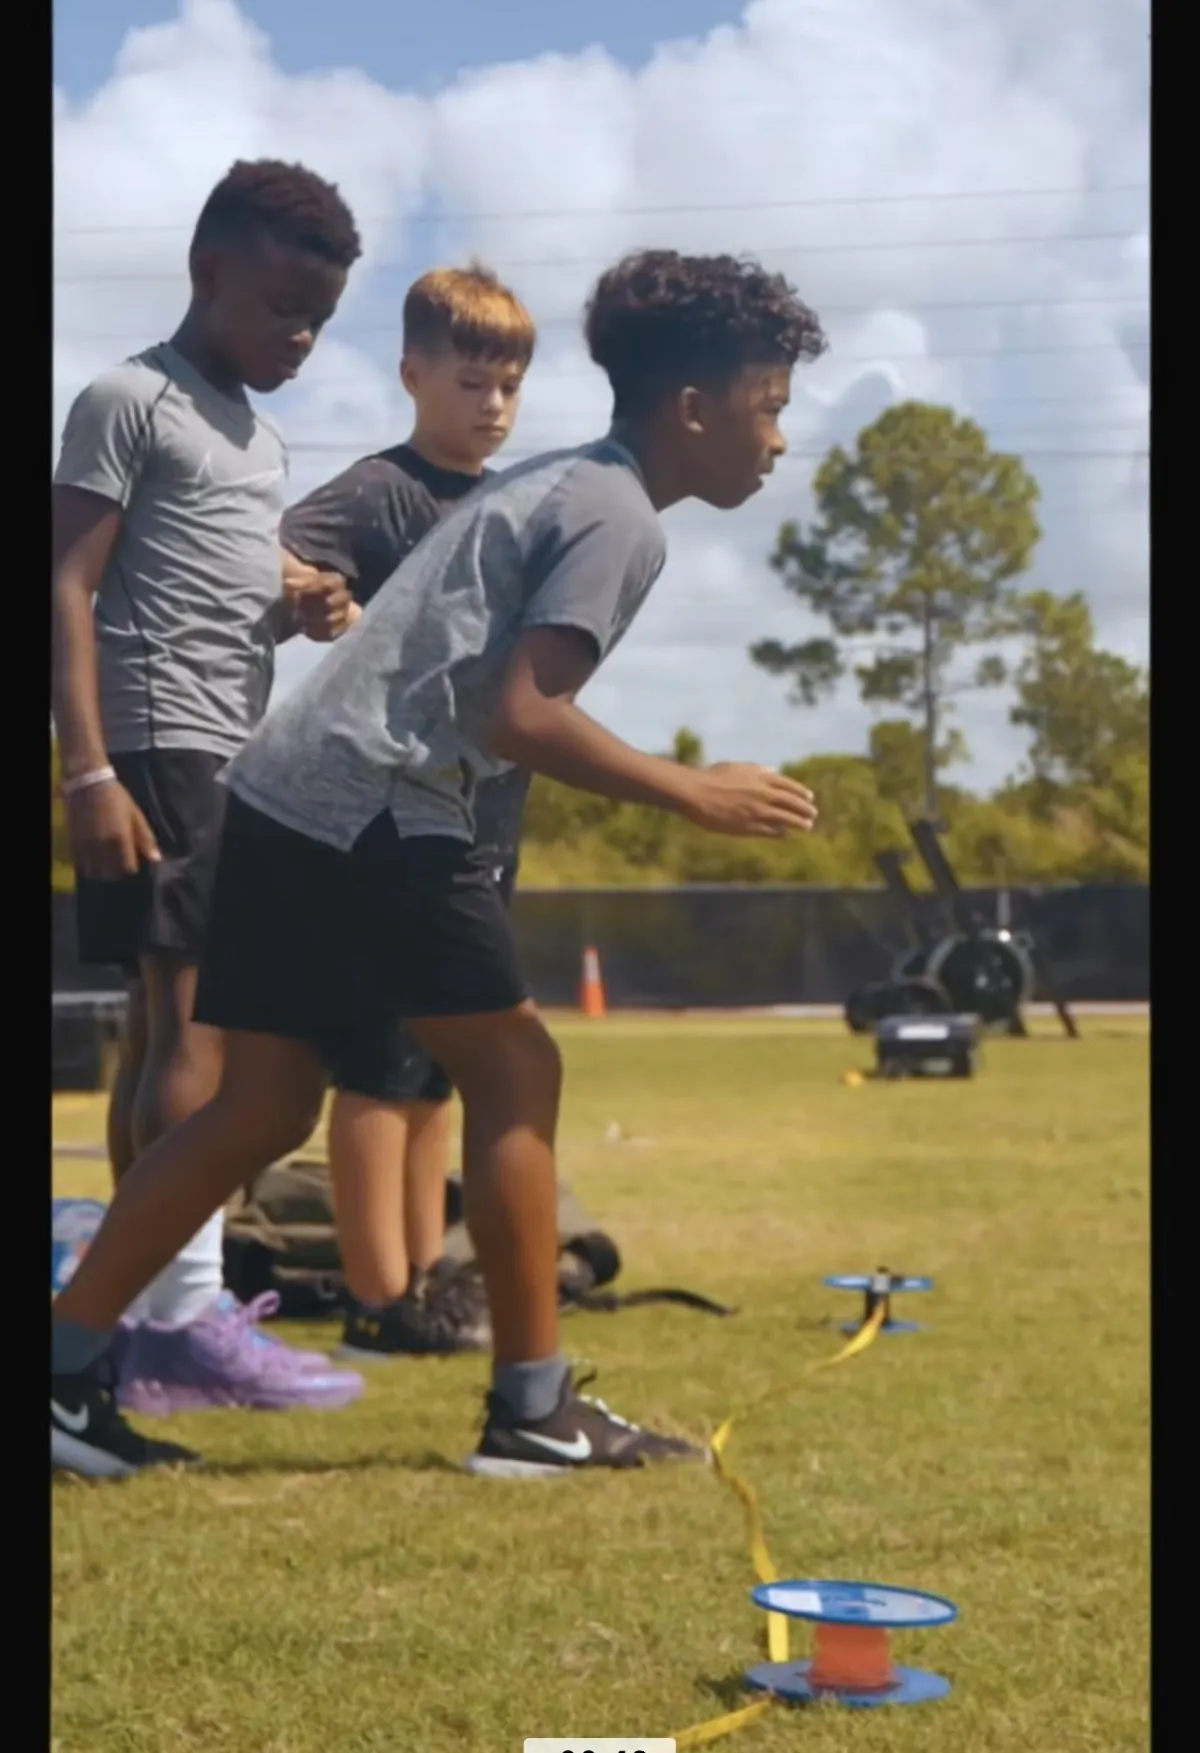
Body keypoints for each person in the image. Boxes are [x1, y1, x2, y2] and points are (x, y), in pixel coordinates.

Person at [50, 247, 826, 1480]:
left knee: (261, 1106)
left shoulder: (562, 482)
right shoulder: (617, 516)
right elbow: (520, 713)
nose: (778, 440)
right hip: (379, 806)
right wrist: (692, 788)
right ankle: (532, 1410)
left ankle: (60, 1372)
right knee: (517, 1067)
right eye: (770, 406)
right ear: (695, 408)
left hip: (281, 792)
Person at [51, 158, 366, 1416]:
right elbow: (63, 586)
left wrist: (307, 607)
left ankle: (131, 1319)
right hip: (157, 749)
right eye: (284, 309)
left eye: (321, 321)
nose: (300, 339)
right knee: (200, 1033)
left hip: (227, 746)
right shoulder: (129, 399)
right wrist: (83, 769)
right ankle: (174, 1322)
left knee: (165, 1031)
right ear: (208, 270)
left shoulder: (262, 436)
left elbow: (219, 611)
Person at [279, 264, 535, 1360]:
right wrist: (310, 588)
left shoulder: (516, 504)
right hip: (383, 825)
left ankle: (429, 1275)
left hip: (484, 825)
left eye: (510, 385)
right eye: (473, 380)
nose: (493, 404)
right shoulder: (378, 489)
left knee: (443, 1066)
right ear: (412, 374)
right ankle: (376, 1298)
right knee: (377, 1070)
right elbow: (281, 547)